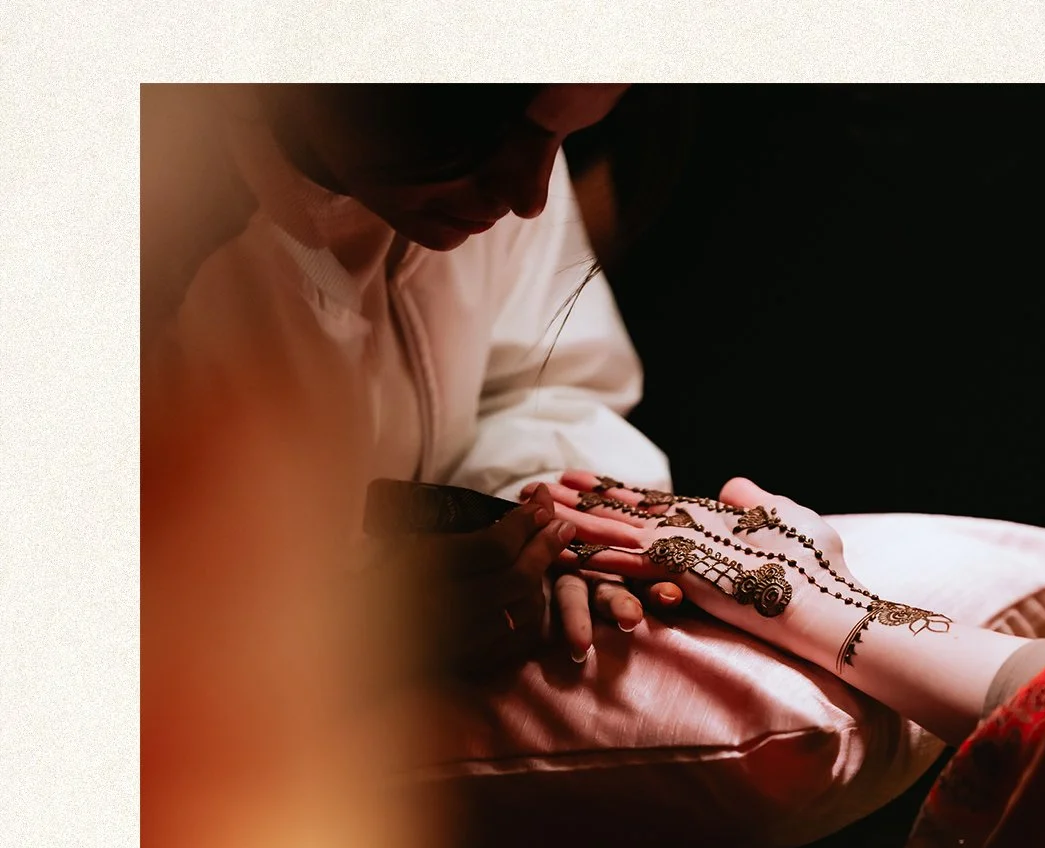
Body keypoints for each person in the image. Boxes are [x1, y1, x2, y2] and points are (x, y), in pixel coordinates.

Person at [150, 83, 668, 674]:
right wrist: (351, 640)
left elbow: (548, 387)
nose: (530, 197)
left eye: (562, 136)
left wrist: (536, 535)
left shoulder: (499, 143)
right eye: (495, 132)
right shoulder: (146, 239)